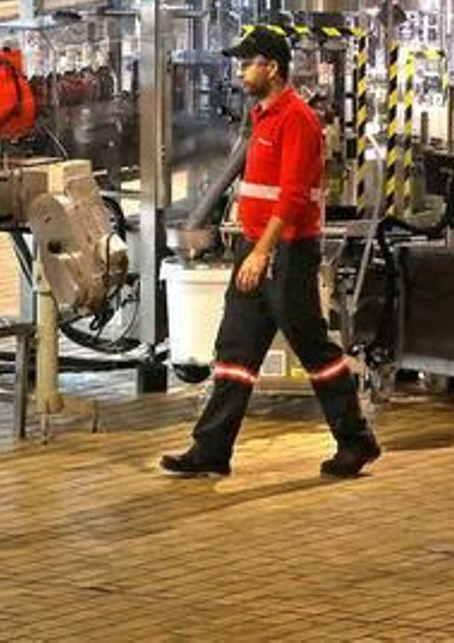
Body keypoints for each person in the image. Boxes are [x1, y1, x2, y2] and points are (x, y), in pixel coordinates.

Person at [160, 26, 381, 479]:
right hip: (255, 249)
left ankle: (356, 441)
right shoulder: (262, 116)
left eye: (247, 63)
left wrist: (261, 252)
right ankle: (211, 450)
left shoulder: (297, 119)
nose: (241, 72)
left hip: (285, 254)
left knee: (313, 347)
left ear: (272, 67)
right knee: (235, 348)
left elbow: (293, 196)